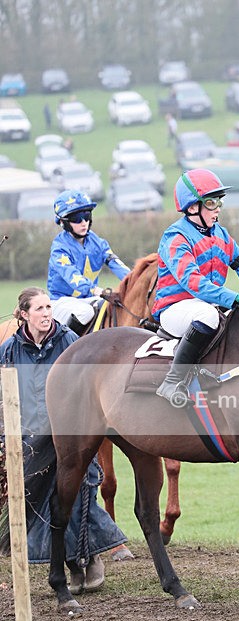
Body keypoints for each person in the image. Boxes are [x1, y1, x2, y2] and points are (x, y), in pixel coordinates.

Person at [0, 287, 129, 592]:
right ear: (23, 315)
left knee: (81, 495)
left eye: (49, 307)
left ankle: (89, 555)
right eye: (39, 308)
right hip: (32, 437)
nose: (46, 314)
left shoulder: (69, 341)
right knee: (48, 501)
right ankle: (74, 561)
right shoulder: (9, 350)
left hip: (72, 432)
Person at [152, 168, 239, 406]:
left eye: (219, 202)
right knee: (208, 315)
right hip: (175, 309)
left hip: (207, 305)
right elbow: (194, 282)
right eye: (211, 202)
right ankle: (172, 382)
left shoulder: (221, 235)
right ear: (193, 207)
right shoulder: (175, 238)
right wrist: (233, 298)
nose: (218, 208)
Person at [48, 190, 130, 335]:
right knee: (85, 312)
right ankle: (65, 345)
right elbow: (73, 277)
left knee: (114, 310)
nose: (83, 222)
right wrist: (97, 290)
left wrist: (134, 280)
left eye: (86, 216)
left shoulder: (97, 242)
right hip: (61, 301)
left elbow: (116, 264)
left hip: (88, 299)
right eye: (77, 218)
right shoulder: (59, 249)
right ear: (63, 222)